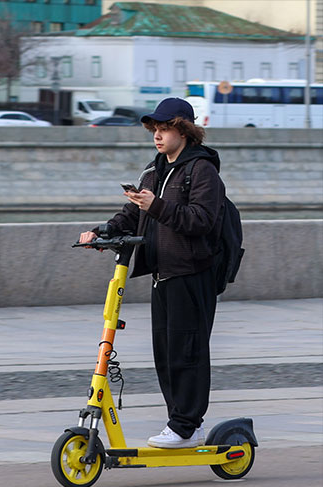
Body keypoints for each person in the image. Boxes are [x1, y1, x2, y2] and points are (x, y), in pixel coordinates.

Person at [79, 98, 225, 448]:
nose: (157, 136)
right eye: (154, 130)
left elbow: (201, 220)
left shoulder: (201, 170)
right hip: (163, 273)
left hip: (192, 274)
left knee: (187, 351)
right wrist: (102, 232)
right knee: (165, 351)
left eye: (164, 129)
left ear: (184, 131)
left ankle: (187, 426)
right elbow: (133, 216)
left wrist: (155, 205)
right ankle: (183, 424)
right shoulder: (154, 171)